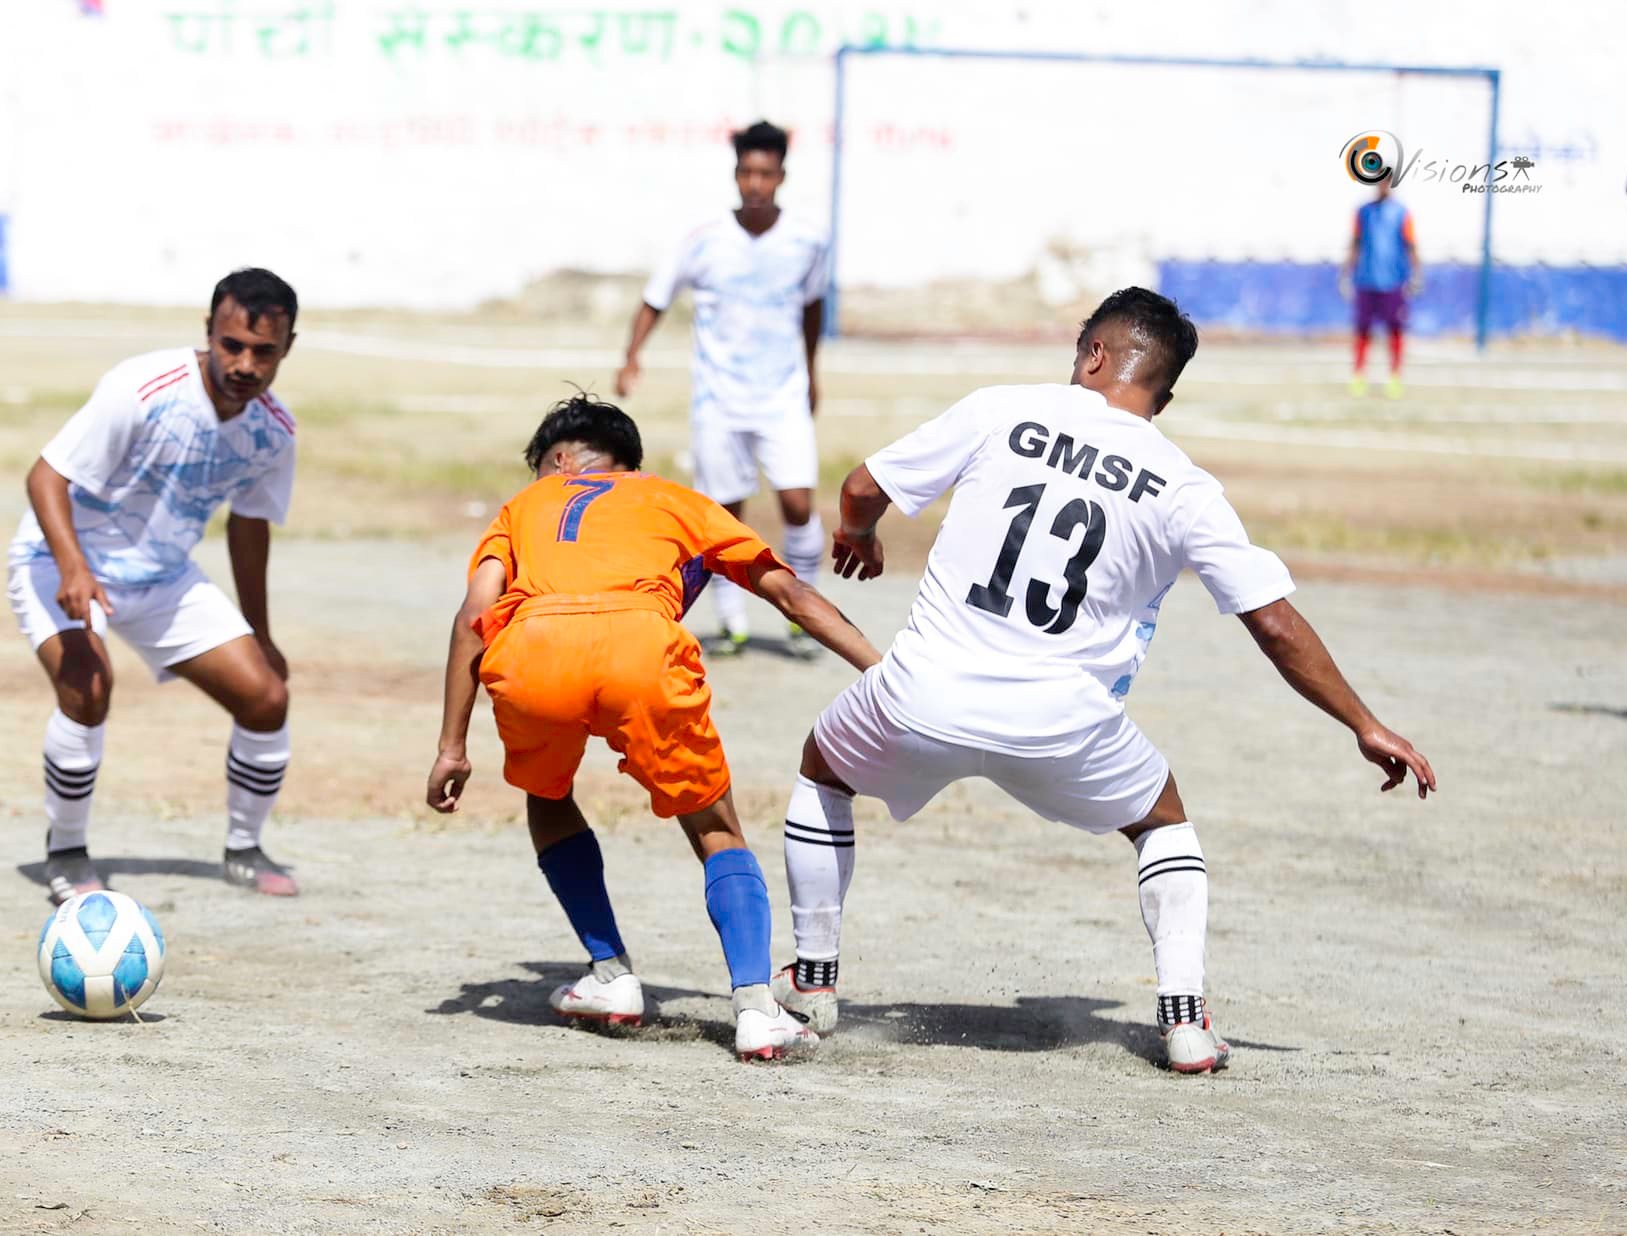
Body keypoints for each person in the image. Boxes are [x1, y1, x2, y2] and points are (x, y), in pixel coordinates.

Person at [768, 288, 1436, 1074]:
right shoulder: (1183, 485)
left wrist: (860, 535)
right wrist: (1363, 723)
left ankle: (813, 982)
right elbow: (1276, 625)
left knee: (823, 769)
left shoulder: (1001, 410)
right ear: (1165, 396)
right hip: (1065, 724)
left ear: (1093, 354)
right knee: (1163, 822)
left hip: (923, 697)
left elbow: (859, 488)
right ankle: (1185, 1022)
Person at [425, 395, 878, 1062]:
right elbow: (790, 593)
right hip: (640, 648)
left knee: (547, 795)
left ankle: (610, 974)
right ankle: (756, 1008)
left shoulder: (524, 506)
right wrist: (883, 670)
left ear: (558, 460)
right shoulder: (672, 498)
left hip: (532, 652)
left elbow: (474, 611)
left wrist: (451, 746)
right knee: (714, 825)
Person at [6, 268, 304, 904]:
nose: (245, 364)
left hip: (162, 577)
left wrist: (261, 633)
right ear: (209, 331)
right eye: (231, 345)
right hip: (60, 561)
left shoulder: (273, 431)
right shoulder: (142, 387)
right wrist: (74, 568)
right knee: (88, 687)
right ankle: (66, 853)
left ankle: (245, 849)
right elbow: (45, 477)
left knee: (266, 697)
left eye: (264, 351)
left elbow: (249, 527)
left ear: (288, 347)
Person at [615, 119, 832, 659]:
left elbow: (811, 309)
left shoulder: (807, 241)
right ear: (735, 174)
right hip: (719, 400)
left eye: (765, 173)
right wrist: (632, 356)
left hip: (782, 396)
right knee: (724, 516)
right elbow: (656, 298)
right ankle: (732, 623)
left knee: (797, 503)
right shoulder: (704, 239)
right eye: (746, 172)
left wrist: (811, 372)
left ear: (781, 176)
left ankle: (804, 615)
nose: (755, 183)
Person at [1341, 177, 1420, 398]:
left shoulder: (1402, 213)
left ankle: (1395, 377)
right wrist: (1346, 273)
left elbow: (1411, 245)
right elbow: (1355, 243)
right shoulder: (1363, 212)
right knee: (1362, 329)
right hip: (1365, 279)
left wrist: (1416, 274)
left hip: (1394, 281)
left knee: (1395, 329)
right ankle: (1359, 376)